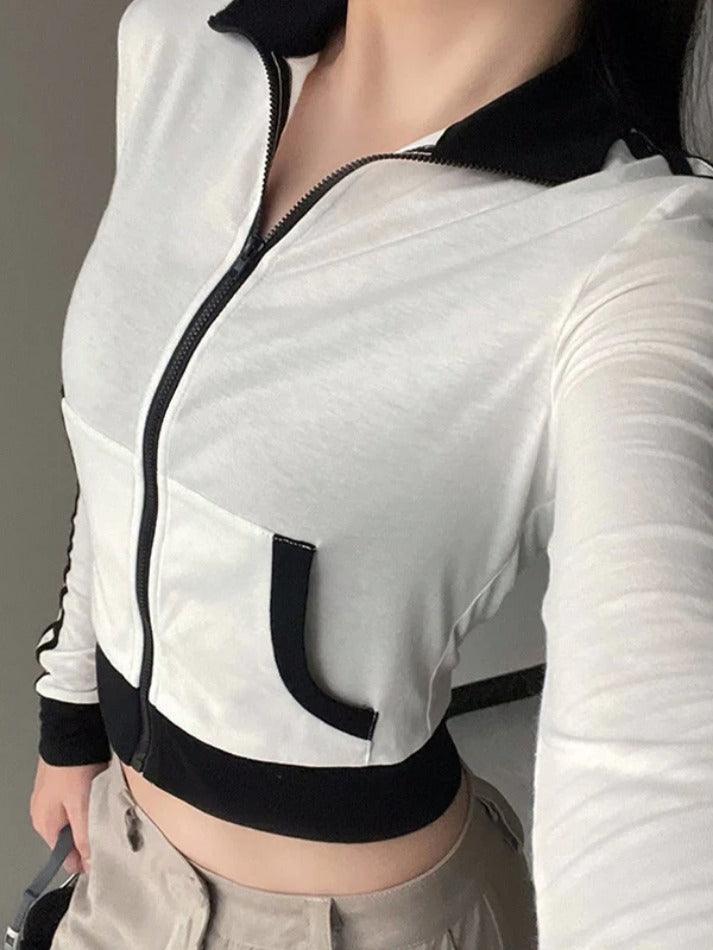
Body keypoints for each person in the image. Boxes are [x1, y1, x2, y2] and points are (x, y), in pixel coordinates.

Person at [28, 0, 713, 947]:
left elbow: (653, 760)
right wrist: (71, 713)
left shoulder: (637, 247)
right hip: (119, 858)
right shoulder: (180, 41)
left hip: (356, 923)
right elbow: (135, 438)